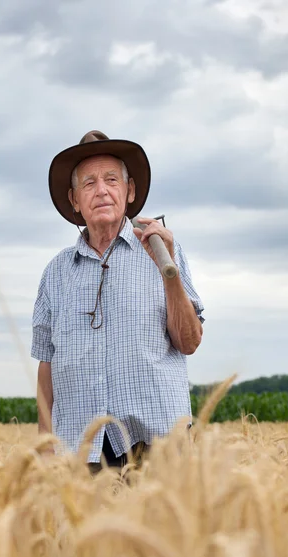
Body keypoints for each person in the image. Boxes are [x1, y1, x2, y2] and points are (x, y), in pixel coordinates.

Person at [31, 130, 204, 472]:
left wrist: (168, 273)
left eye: (112, 179)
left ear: (130, 191)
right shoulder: (56, 272)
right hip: (81, 454)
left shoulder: (164, 250)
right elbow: (46, 365)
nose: (102, 190)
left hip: (158, 448)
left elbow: (188, 341)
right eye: (89, 183)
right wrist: (44, 445)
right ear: (75, 200)